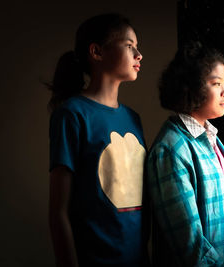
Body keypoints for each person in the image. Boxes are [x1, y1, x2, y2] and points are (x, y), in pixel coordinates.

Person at [47, 13, 149, 267]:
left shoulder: (133, 119)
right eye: (129, 45)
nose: (139, 54)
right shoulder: (72, 114)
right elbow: (58, 211)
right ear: (97, 52)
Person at [146, 42, 224, 267]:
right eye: (216, 84)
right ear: (191, 87)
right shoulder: (171, 150)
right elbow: (189, 244)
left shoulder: (212, 138)